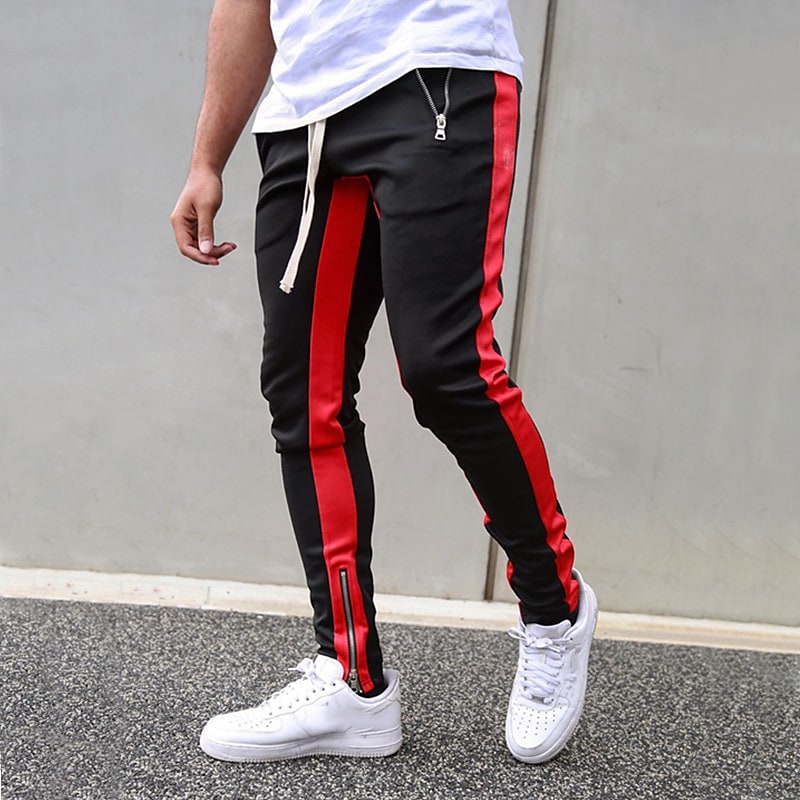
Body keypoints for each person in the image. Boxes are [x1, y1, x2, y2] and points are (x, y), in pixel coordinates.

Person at [170, 0, 597, 765]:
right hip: (305, 113)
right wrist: (207, 157)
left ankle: (554, 607)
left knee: (446, 369)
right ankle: (352, 680)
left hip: (435, 71)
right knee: (304, 396)